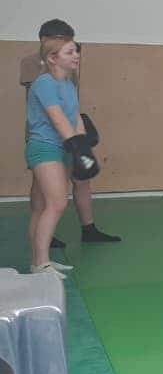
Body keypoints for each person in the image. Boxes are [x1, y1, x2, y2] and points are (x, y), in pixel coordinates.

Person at [20, 19, 119, 247]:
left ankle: (88, 228)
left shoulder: (68, 67)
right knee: (44, 192)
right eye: (65, 43)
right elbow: (49, 104)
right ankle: (43, 237)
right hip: (45, 134)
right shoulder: (35, 66)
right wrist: (73, 139)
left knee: (81, 178)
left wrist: (80, 139)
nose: (74, 53)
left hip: (68, 133)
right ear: (46, 41)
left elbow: (69, 100)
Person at [25, 36, 98, 278]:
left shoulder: (68, 84)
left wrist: (84, 148)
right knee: (56, 203)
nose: (76, 55)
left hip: (64, 148)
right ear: (52, 58)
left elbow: (75, 117)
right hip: (45, 147)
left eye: (76, 51)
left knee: (44, 206)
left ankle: (39, 261)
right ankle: (41, 263)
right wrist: (77, 147)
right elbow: (57, 118)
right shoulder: (44, 83)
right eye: (69, 52)